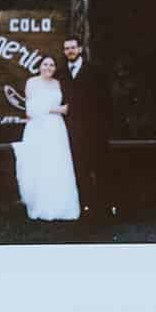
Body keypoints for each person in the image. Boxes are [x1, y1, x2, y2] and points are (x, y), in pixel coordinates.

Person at [11, 56, 81, 221]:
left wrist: (51, 109)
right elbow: (31, 110)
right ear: (40, 66)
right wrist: (55, 109)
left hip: (56, 128)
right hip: (38, 128)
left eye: (51, 65)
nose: (48, 67)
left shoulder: (58, 83)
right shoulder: (32, 82)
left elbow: (67, 108)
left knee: (57, 164)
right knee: (40, 165)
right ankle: (40, 206)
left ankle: (61, 207)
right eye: (45, 64)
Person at [60, 35, 114, 220]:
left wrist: (105, 127)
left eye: (73, 47)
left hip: (95, 130)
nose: (70, 51)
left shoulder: (95, 71)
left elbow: (106, 100)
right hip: (72, 132)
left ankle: (105, 207)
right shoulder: (61, 74)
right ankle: (85, 207)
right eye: (66, 48)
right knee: (79, 170)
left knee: (100, 169)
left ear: (80, 49)